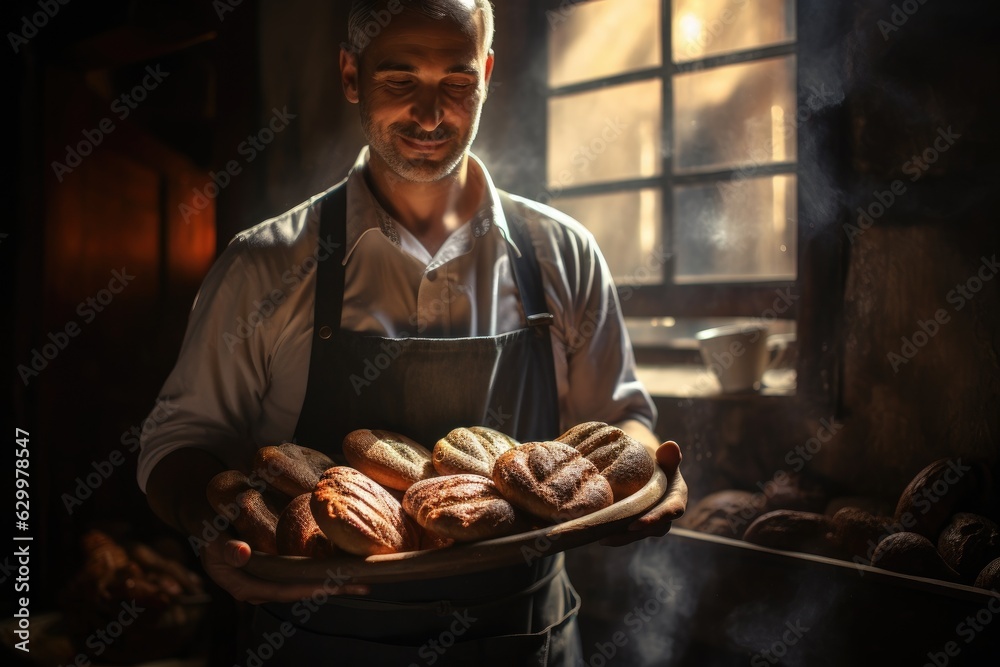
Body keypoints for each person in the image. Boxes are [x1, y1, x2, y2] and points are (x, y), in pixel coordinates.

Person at [138, 0, 687, 664]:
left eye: (456, 82)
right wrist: (210, 529)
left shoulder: (562, 254)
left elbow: (619, 421)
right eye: (400, 80)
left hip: (525, 637)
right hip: (324, 643)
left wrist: (651, 472)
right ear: (351, 75)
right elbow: (180, 440)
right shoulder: (265, 266)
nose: (430, 114)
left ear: (485, 72)